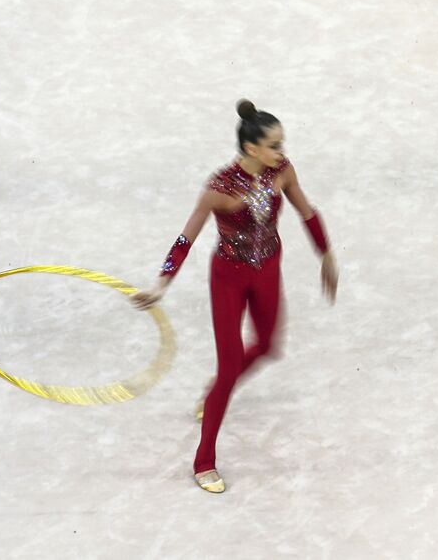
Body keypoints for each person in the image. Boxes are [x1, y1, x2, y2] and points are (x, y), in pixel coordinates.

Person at [132, 100, 338, 492]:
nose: (282, 151)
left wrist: (325, 253)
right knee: (229, 367)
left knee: (266, 345)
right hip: (229, 277)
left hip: (267, 269)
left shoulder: (282, 171)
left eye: (282, 143)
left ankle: (213, 396)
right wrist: (162, 282)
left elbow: (306, 211)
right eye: (274, 145)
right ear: (251, 148)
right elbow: (185, 237)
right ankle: (204, 460)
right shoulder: (218, 189)